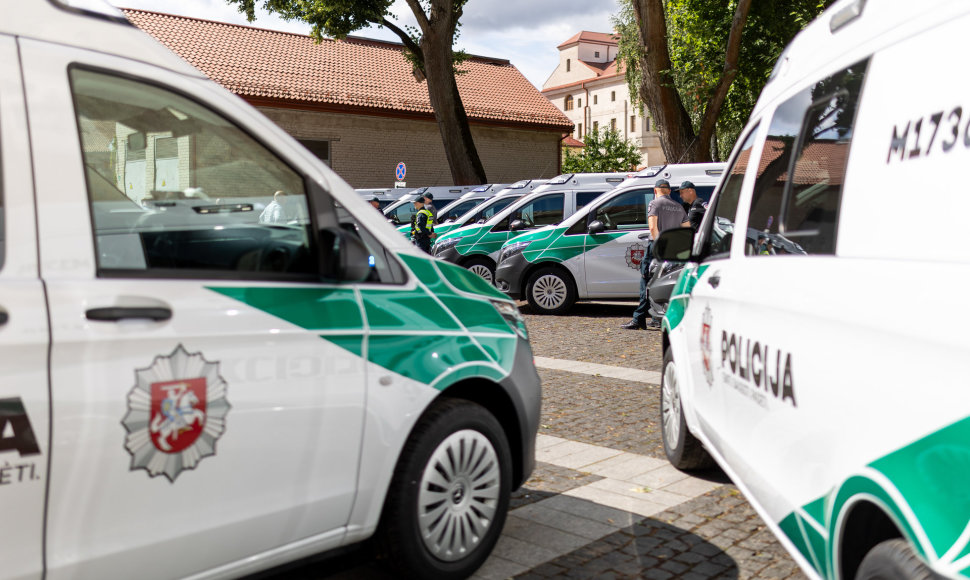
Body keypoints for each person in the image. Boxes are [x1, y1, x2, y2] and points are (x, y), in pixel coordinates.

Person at [621, 179, 689, 330]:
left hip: (657, 246)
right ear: (670, 191)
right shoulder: (679, 207)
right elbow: (687, 229)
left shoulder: (655, 204)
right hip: (674, 248)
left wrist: (660, 245)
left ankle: (639, 318)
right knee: (664, 281)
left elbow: (652, 228)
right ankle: (656, 317)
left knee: (646, 280)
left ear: (655, 190)